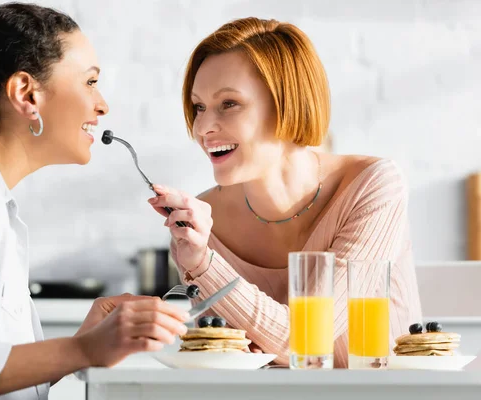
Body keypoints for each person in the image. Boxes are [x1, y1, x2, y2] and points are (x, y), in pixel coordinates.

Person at [0, 3, 188, 400]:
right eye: (90, 82)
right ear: (26, 94)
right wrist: (82, 349)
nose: (103, 105)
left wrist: (83, 346)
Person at [148, 17, 422, 368]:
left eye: (228, 103)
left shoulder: (372, 186)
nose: (203, 127)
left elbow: (307, 340)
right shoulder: (202, 224)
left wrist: (205, 266)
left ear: (286, 103)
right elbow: (226, 358)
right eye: (199, 107)